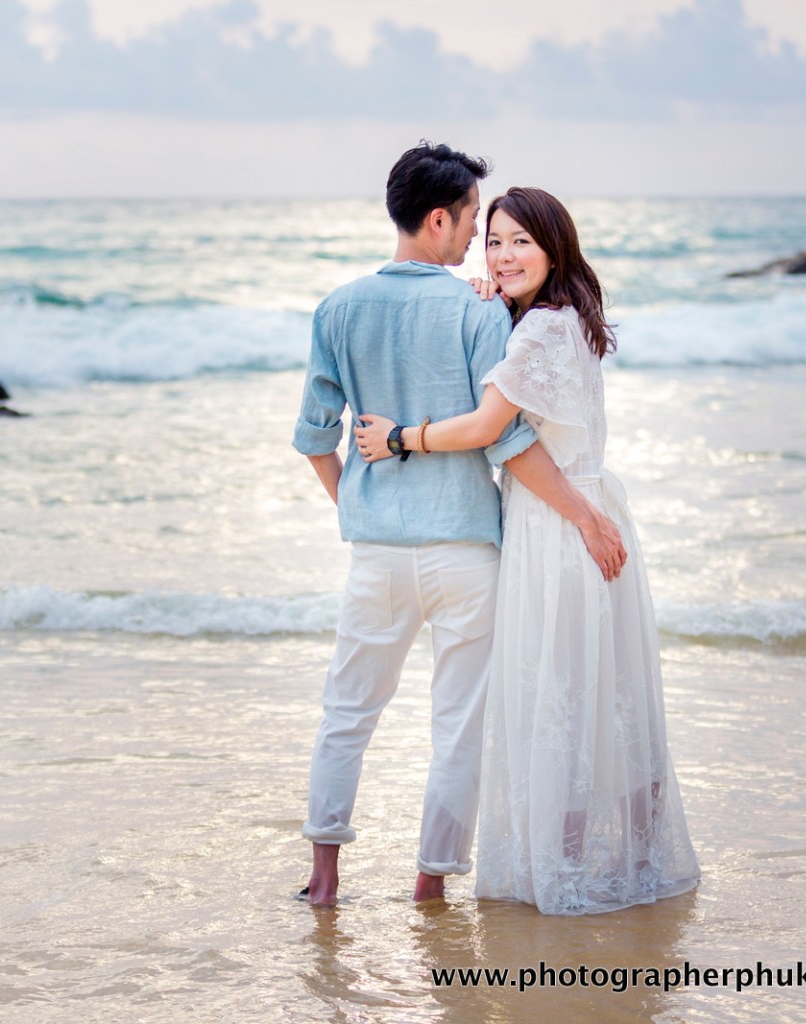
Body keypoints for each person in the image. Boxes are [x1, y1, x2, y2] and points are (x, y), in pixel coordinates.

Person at [293, 147, 626, 907]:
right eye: (475, 219)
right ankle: (429, 884)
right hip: (467, 554)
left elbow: (316, 438)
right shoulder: (476, 311)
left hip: (377, 551)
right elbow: (506, 437)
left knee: (346, 713)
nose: (481, 237)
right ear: (439, 217)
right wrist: (584, 515)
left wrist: (360, 506)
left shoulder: (338, 309)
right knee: (458, 726)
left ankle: (322, 878)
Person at [354, 187, 699, 915]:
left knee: (561, 694)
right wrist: (490, 305)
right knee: (605, 691)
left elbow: (489, 428)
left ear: (555, 248)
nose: (504, 255)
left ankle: (568, 866)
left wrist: (398, 439)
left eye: (521, 243)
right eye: (496, 241)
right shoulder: (559, 318)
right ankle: (633, 857)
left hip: (559, 525)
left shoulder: (541, 331)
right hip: (583, 511)